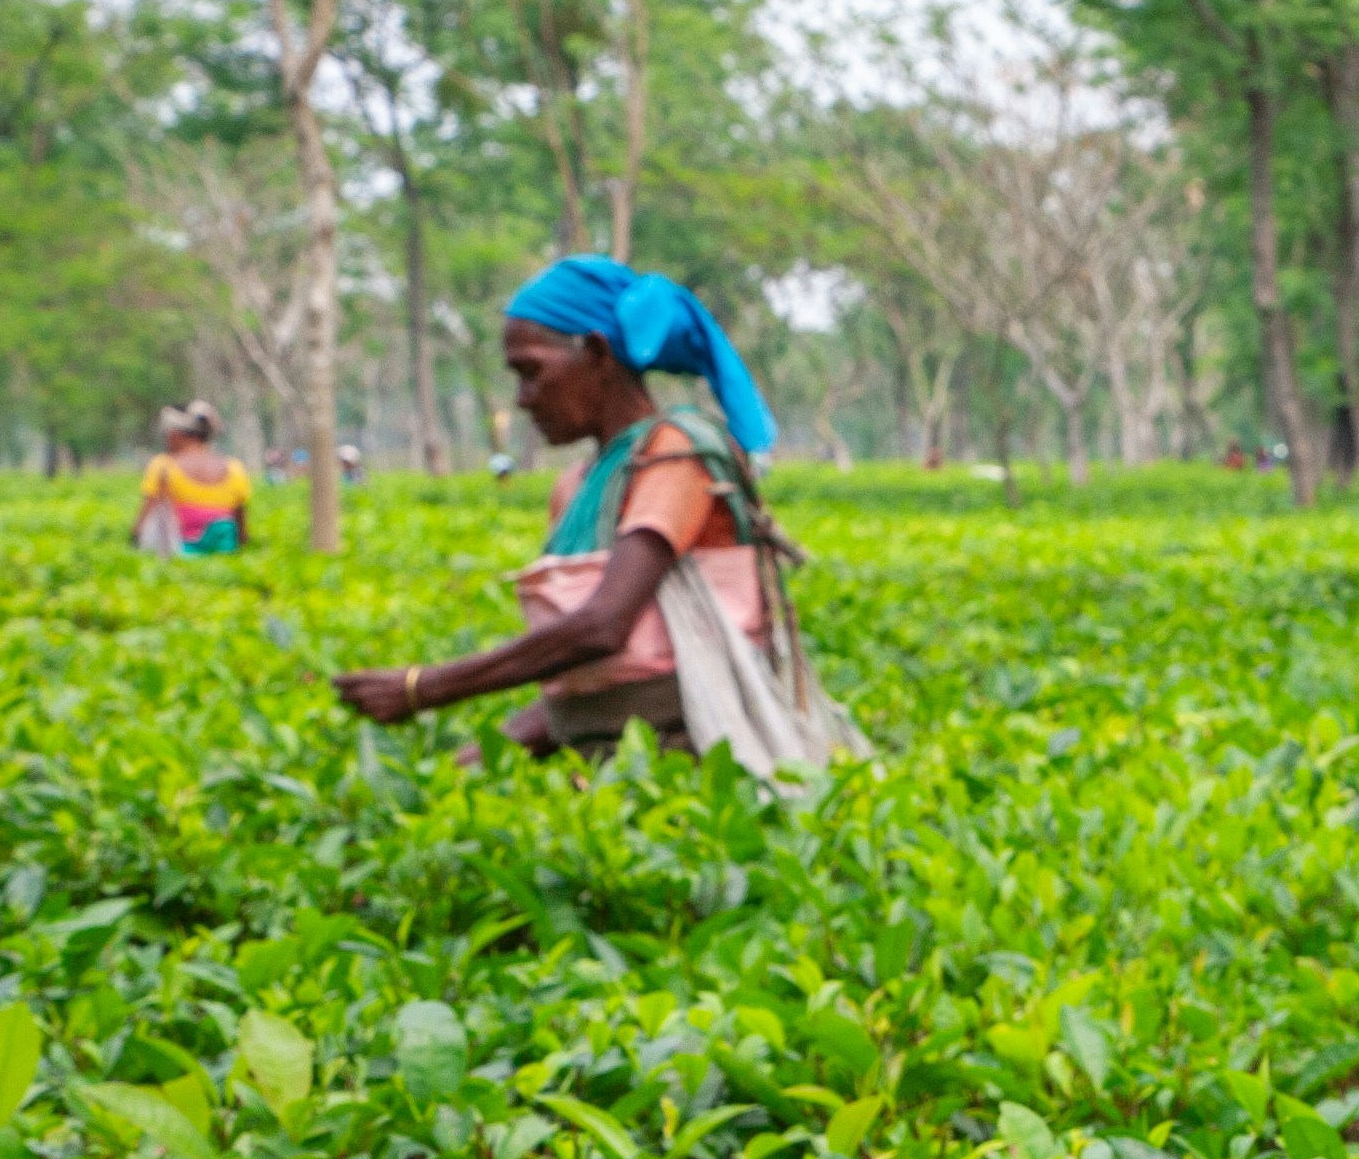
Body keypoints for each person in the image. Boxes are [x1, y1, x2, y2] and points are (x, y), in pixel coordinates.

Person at [327, 256, 865, 778]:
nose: (523, 399)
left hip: (695, 767)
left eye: (532, 372)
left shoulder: (677, 454)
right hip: (604, 768)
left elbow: (603, 629)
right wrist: (457, 770)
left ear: (598, 353)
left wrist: (424, 688)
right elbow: (589, 687)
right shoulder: (577, 486)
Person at [132, 404, 255, 556]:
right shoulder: (235, 468)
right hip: (224, 553)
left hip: (179, 555)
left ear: (177, 434)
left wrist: (134, 539)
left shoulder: (163, 466)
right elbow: (241, 527)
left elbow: (144, 521)